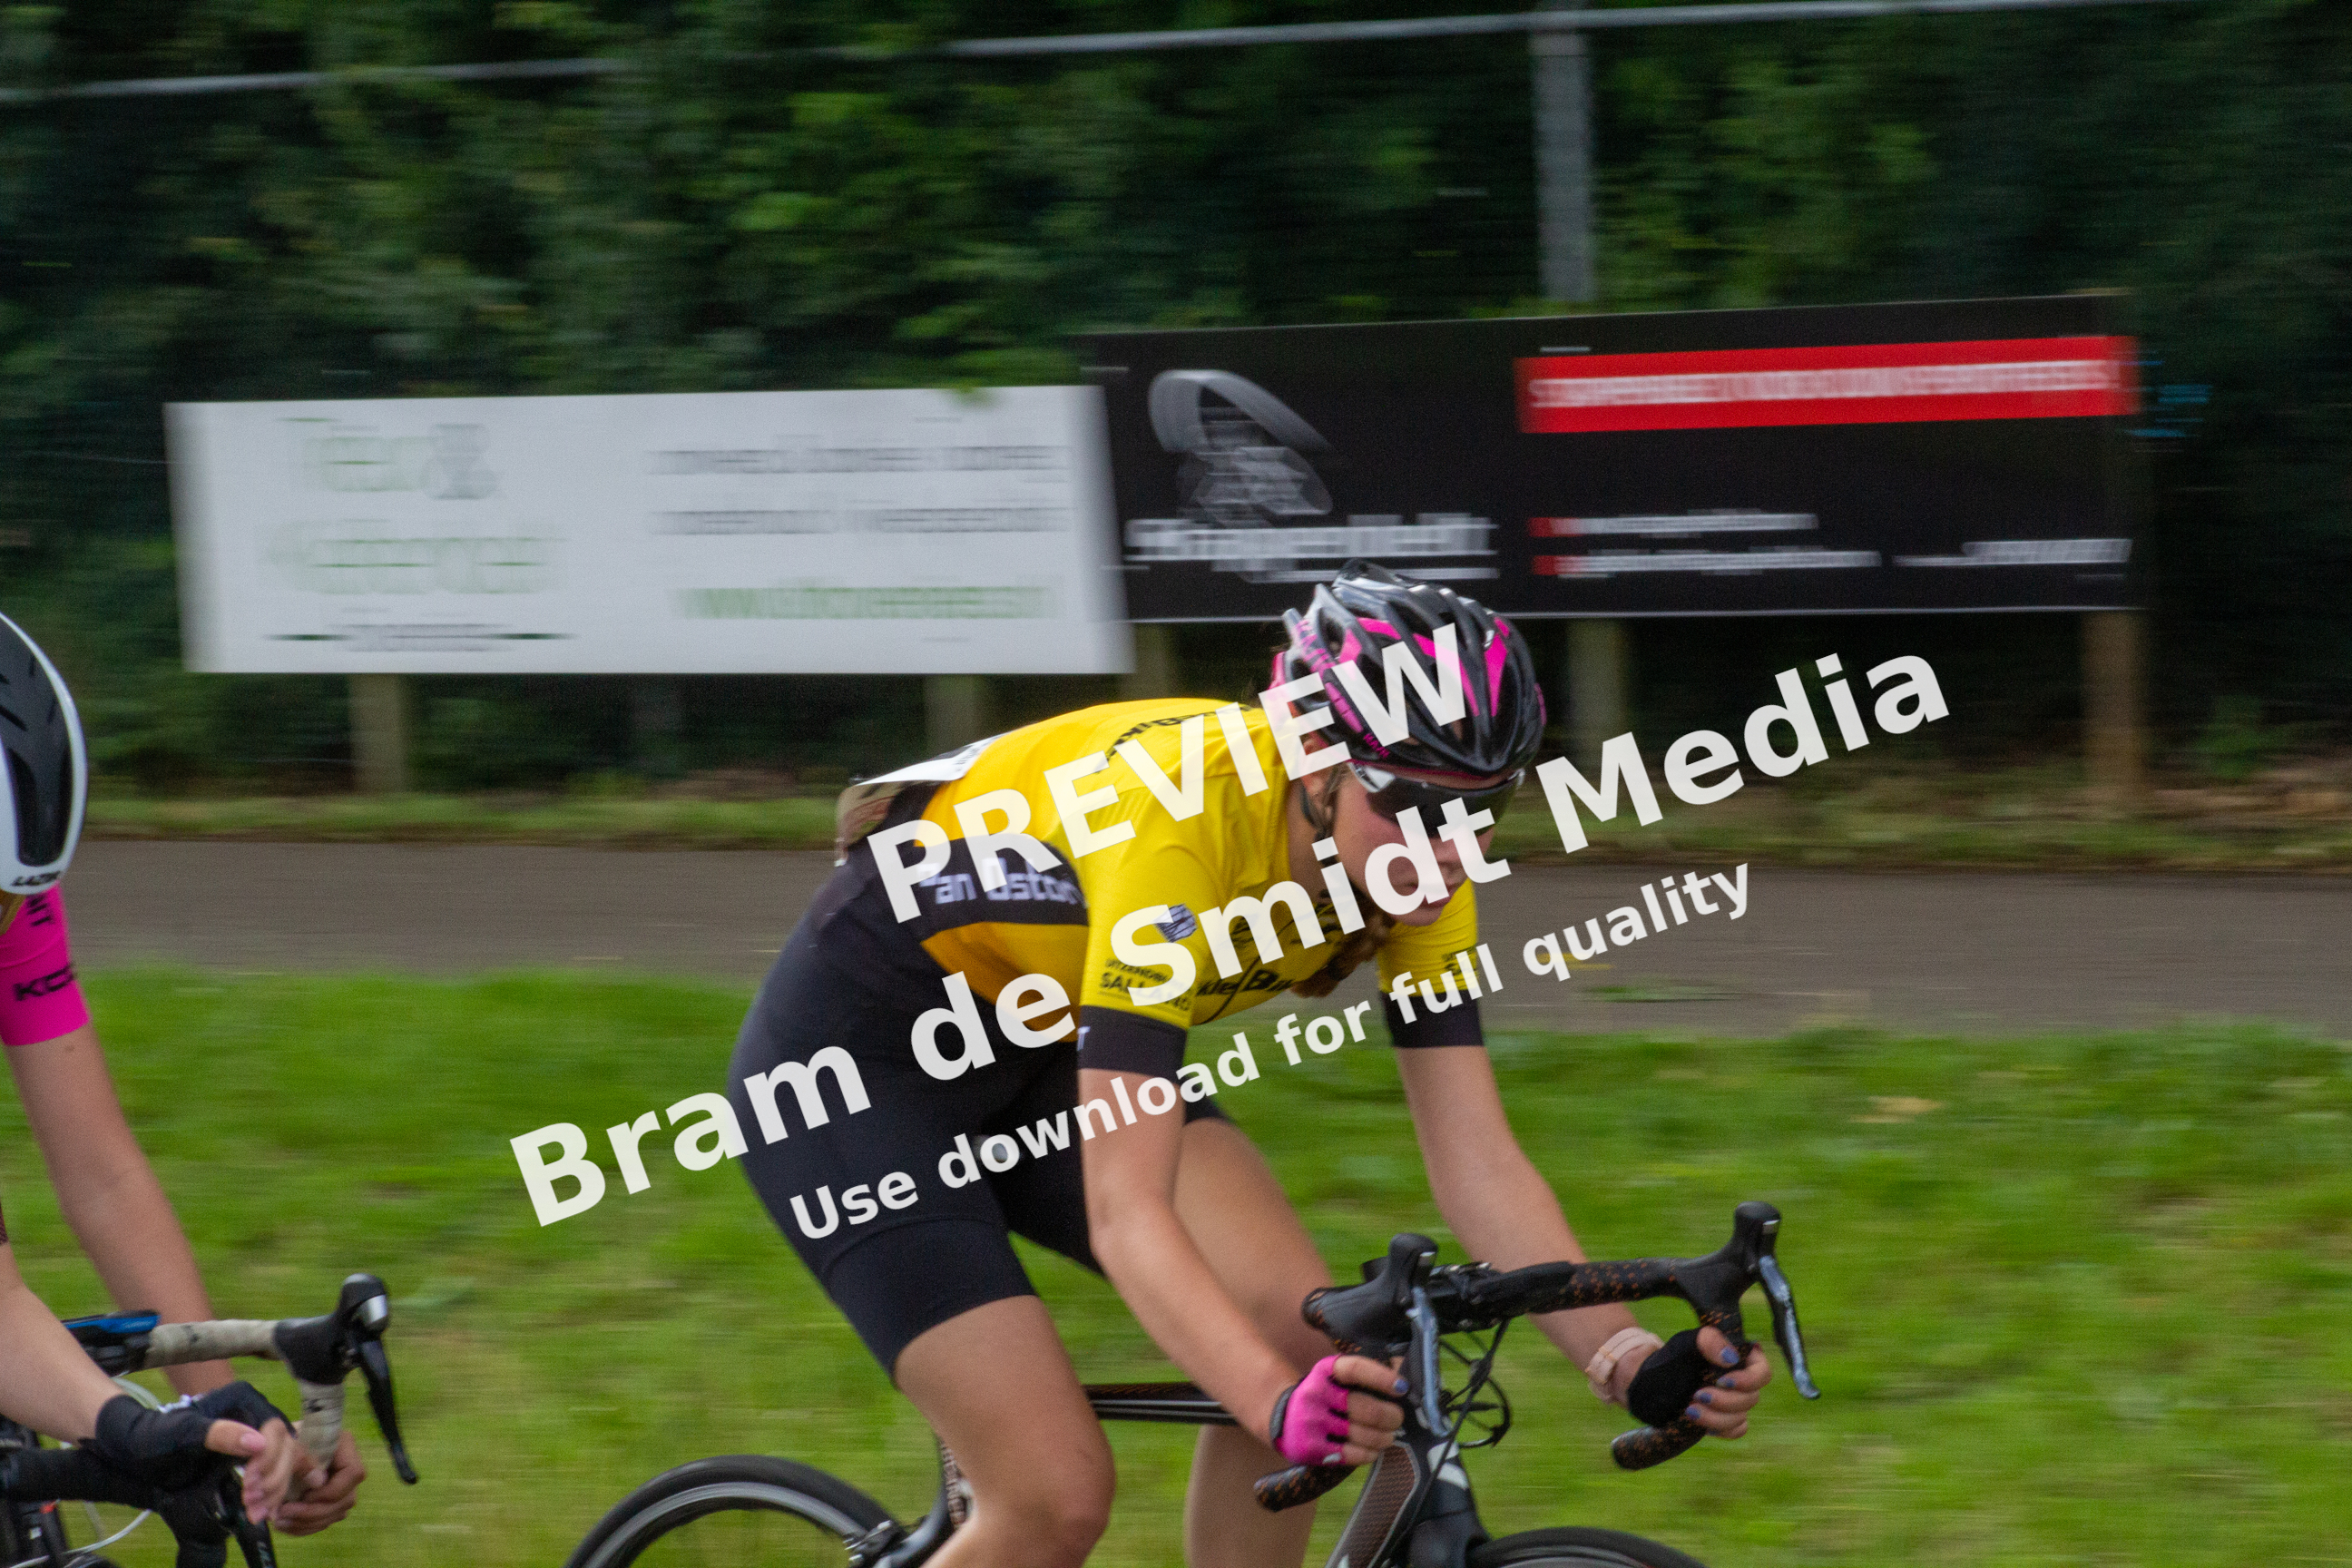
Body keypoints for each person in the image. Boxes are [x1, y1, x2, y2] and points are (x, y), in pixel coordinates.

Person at [728, 563, 1771, 1568]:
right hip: (858, 1071)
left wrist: (1623, 1358)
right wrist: (1273, 1407)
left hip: (1050, 1042)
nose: (1452, 847)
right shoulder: (1178, 832)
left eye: (1483, 808)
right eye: (1413, 803)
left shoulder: (1424, 866)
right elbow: (1128, 1215)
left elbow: (1475, 1157)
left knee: (1312, 1348)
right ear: (1315, 763)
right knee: (1054, 1495)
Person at [0, 611, 363, 1529]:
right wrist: (126, 1426)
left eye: (6, 902)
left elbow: (102, 1173)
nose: (2, 924)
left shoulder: (19, 907)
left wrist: (224, 1423)